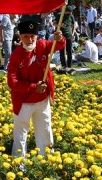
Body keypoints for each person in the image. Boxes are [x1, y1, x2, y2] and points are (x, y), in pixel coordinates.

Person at [7, 19, 65, 158]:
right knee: (20, 133)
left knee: (45, 130)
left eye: (32, 36)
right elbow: (12, 83)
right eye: (26, 36)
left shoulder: (42, 45)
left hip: (42, 100)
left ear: (37, 36)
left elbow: (59, 45)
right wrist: (33, 87)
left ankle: (46, 160)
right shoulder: (15, 56)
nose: (29, 39)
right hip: (23, 102)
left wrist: (60, 38)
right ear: (20, 37)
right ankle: (19, 164)